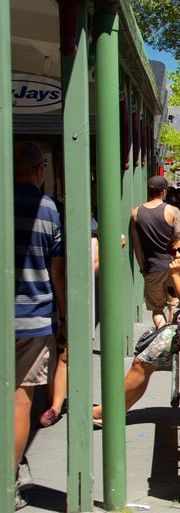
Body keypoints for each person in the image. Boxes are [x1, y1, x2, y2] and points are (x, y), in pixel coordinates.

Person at [93, 233, 180, 426]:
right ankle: (113, 411)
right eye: (172, 251)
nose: (177, 255)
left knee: (140, 364)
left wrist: (175, 275)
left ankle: (105, 410)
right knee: (143, 365)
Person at [12, 142, 66, 510]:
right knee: (20, 399)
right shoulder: (47, 209)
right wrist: (65, 315)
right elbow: (57, 269)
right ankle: (9, 477)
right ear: (39, 170)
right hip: (33, 316)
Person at [132, 175, 180, 329]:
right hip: (172, 267)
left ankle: (161, 336)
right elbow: (179, 240)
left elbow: (137, 244)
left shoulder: (135, 213)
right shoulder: (172, 211)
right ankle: (171, 341)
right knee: (173, 305)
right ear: (164, 192)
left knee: (156, 308)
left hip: (151, 267)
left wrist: (142, 267)